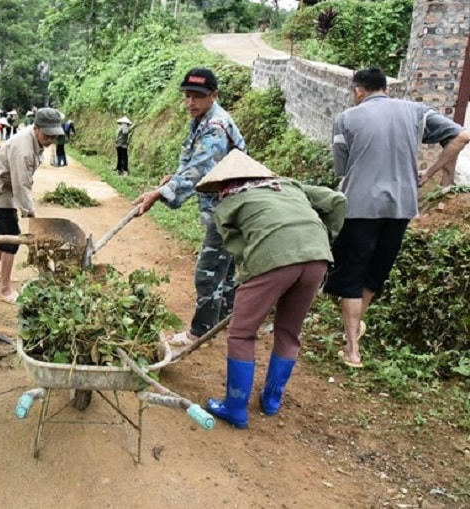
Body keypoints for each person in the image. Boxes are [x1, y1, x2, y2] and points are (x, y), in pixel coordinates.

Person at [323, 67, 470, 368]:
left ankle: (352, 350)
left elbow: (341, 169)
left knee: (351, 274)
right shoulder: (416, 111)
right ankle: (354, 329)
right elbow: (461, 135)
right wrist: (431, 173)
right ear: (385, 89)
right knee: (375, 272)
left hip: (360, 207)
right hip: (401, 207)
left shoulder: (346, 119)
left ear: (358, 91)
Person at [194, 150, 346, 429]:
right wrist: (325, 237)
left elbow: (240, 254)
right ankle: (272, 400)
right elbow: (337, 200)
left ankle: (235, 407)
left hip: (272, 258)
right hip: (317, 257)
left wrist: (252, 292)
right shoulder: (288, 185)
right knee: (289, 331)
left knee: (242, 333)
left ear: (223, 184)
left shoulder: (228, 205)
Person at [134, 67, 246, 347]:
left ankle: (200, 332)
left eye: (198, 96)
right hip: (227, 207)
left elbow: (199, 170)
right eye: (187, 96)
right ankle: (227, 322)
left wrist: (160, 193)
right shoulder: (203, 120)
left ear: (214, 96)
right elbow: (191, 162)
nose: (190, 102)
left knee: (208, 271)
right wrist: (173, 178)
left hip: (229, 210)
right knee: (227, 268)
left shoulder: (215, 128)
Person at [0, 107, 64, 303]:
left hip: (3, 188)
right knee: (12, 239)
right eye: (47, 135)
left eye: (54, 136)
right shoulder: (24, 150)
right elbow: (21, 186)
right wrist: (30, 214)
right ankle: (4, 290)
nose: (50, 140)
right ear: (36, 128)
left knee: (4, 233)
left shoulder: (33, 141)